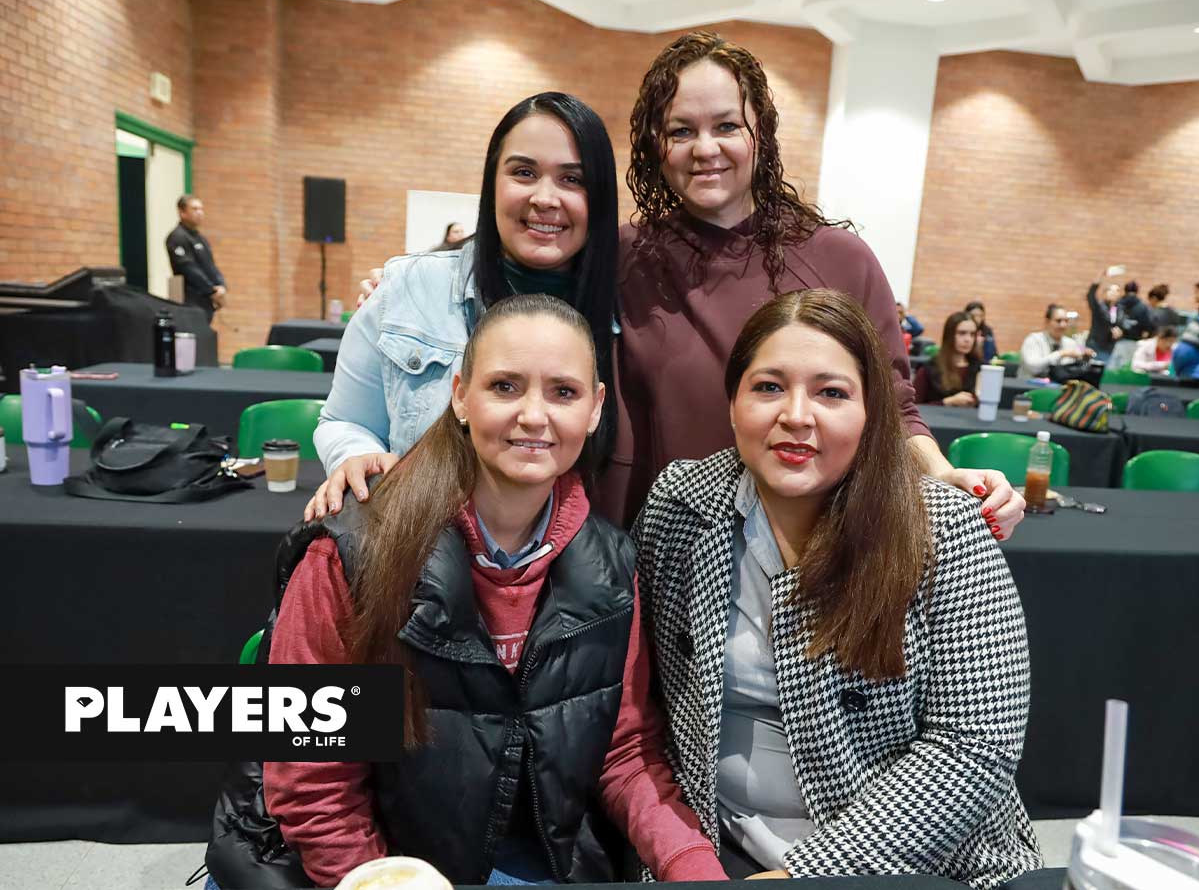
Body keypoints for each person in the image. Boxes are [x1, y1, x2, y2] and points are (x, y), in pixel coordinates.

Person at [261, 295, 726, 888]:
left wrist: (691, 864)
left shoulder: (612, 563)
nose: (534, 416)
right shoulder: (353, 552)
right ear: (460, 395)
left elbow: (625, 750)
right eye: (505, 387)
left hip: (538, 852)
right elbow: (314, 784)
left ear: (594, 410)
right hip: (387, 861)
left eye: (563, 392)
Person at [632, 289, 1042, 887]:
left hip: (911, 859)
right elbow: (653, 712)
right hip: (718, 845)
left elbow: (974, 746)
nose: (797, 416)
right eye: (768, 387)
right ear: (732, 403)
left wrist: (811, 874)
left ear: (871, 411)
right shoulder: (682, 506)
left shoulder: (943, 527)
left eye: (832, 393)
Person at [606, 30, 1022, 539]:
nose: (705, 148)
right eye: (681, 130)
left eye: (727, 126)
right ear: (656, 142)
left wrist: (942, 475)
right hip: (661, 545)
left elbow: (893, 406)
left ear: (762, 133)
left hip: (811, 547)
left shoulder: (838, 260)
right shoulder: (623, 257)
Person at [307, 92, 621, 520]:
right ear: (493, 183)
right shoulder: (409, 289)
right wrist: (356, 456)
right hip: (415, 551)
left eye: (572, 179)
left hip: (557, 569)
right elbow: (344, 420)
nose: (545, 198)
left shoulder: (627, 310)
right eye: (524, 172)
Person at [165, 194, 227, 323]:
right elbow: (188, 269)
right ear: (182, 212)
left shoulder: (200, 238)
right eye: (194, 209)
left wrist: (221, 286)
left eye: (201, 209)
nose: (199, 213)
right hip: (189, 300)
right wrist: (211, 290)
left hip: (206, 301)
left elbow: (210, 266)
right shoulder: (177, 237)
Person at [913, 311, 981, 406]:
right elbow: (914, 409)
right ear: (949, 335)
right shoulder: (929, 369)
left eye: (972, 334)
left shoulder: (978, 367)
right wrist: (947, 402)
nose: (968, 339)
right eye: (962, 333)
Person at [1018, 303, 1095, 380]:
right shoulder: (1033, 340)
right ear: (1047, 322)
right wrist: (1061, 354)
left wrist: (1085, 357)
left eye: (1066, 321)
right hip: (1031, 387)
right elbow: (1033, 368)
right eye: (1058, 321)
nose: (1063, 325)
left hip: (1061, 388)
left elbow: (1081, 358)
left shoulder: (1071, 342)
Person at [1109, 280, 1154, 370]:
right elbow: (1148, 326)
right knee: (1129, 369)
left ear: (1125, 290)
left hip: (1117, 341)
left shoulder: (1118, 304)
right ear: (1137, 291)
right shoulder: (1143, 307)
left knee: (1114, 369)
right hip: (1135, 342)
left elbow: (1110, 320)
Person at [1084, 272, 1124, 363]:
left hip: (1110, 347)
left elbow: (1121, 324)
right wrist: (1098, 280)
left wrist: (1120, 331)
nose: (1114, 293)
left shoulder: (1120, 310)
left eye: (1117, 291)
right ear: (1105, 293)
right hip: (1095, 345)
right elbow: (1090, 296)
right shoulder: (1099, 307)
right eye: (1111, 290)